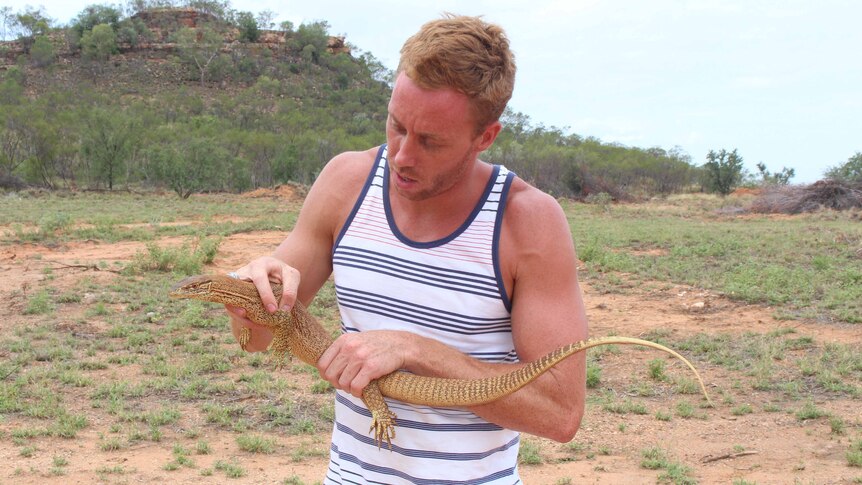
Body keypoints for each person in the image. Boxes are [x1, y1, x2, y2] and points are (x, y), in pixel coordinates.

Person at [225, 14, 588, 484]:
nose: (401, 155)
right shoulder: (346, 183)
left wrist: (418, 350)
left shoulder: (527, 223)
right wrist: (250, 297)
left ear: (485, 137)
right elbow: (258, 340)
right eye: (396, 126)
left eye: (430, 142)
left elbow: (559, 414)